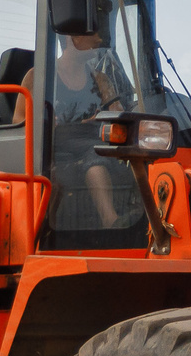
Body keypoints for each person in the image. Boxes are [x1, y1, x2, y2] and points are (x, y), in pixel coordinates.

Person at [47, 29, 137, 230]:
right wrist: (44, 121)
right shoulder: (40, 77)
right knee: (95, 159)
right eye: (92, 33)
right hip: (54, 149)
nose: (99, 39)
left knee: (98, 154)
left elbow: (118, 114)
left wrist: (106, 116)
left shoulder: (100, 79)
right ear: (73, 36)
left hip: (92, 143)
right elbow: (20, 119)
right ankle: (110, 220)